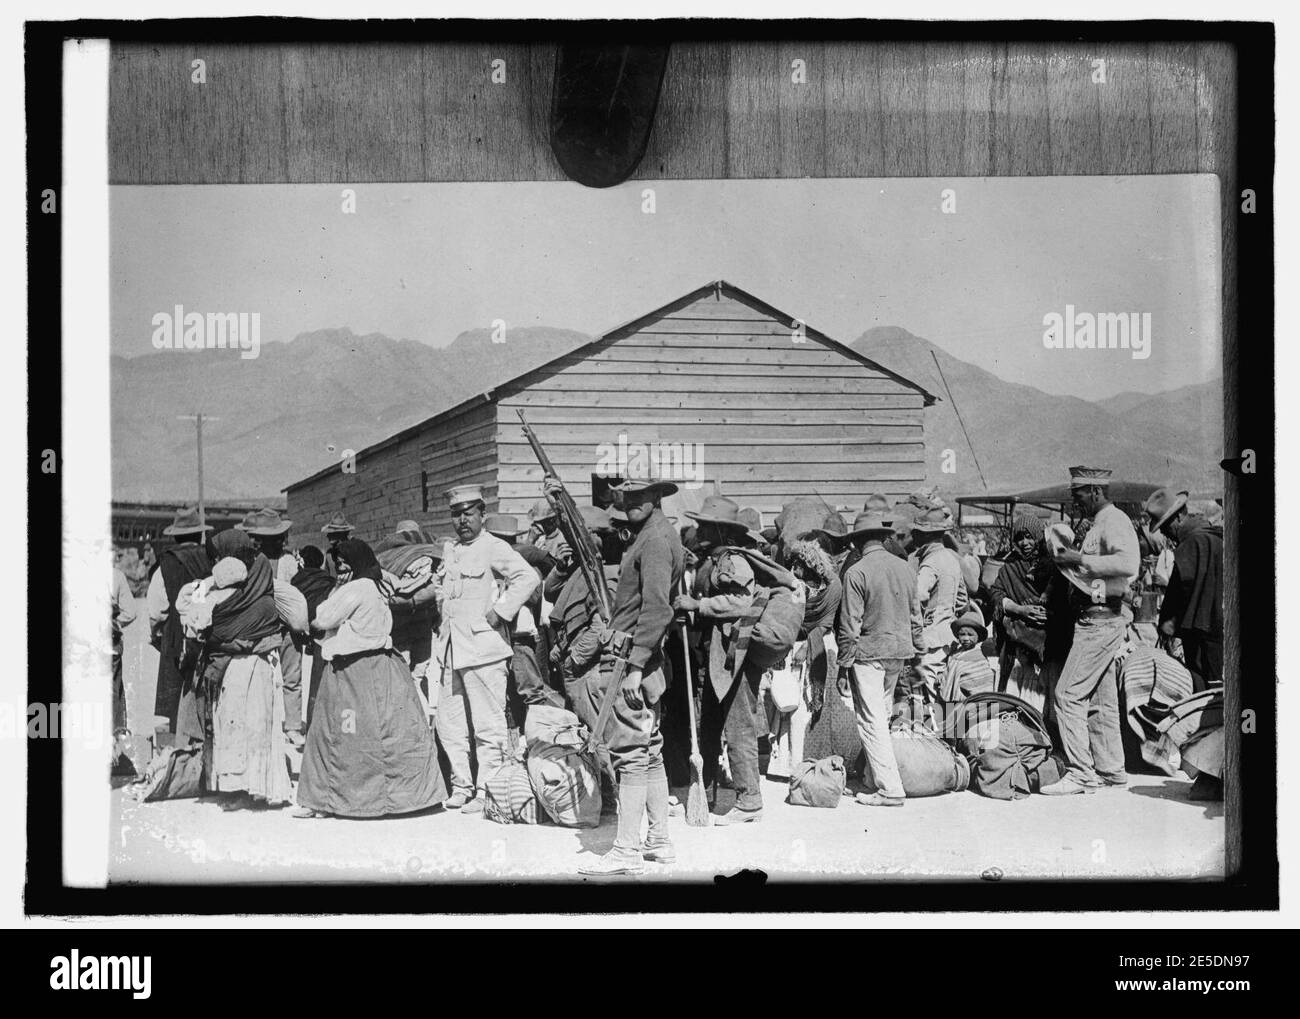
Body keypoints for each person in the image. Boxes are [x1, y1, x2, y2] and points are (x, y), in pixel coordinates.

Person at [567, 475, 683, 875]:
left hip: (630, 659)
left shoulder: (652, 541)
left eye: (639, 495)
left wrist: (633, 667)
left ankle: (627, 850)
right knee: (649, 749)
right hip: (643, 656)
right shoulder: (658, 534)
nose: (630, 502)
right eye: (626, 496)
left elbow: (657, 609)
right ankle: (659, 841)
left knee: (631, 754)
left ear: (656, 496)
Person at [294, 539, 446, 818]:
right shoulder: (379, 584)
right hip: (383, 666)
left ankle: (336, 800)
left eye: (344, 564)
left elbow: (323, 618)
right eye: (338, 565)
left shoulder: (354, 589)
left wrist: (336, 592)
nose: (340, 569)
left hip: (352, 669)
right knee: (388, 733)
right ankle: (407, 797)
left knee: (342, 733)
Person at [433, 485, 539, 814]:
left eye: (469, 513)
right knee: (450, 722)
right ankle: (461, 784)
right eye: (456, 514)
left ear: (483, 515)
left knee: (487, 723)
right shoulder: (451, 551)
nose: (462, 520)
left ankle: (486, 789)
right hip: (450, 647)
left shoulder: (493, 547)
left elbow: (528, 577)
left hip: (483, 648)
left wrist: (501, 611)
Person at [1040, 466, 1140, 795]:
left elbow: (1128, 565)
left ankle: (1081, 773)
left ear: (1095, 491)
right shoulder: (1100, 523)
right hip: (1099, 616)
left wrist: (1079, 559)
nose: (1074, 499)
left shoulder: (1113, 520)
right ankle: (1111, 769)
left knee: (1067, 694)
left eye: (1078, 493)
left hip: (1099, 620)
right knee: (1100, 698)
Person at [178, 528, 294, 810]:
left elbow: (190, 615)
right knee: (251, 727)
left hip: (241, 668)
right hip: (255, 665)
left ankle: (240, 789)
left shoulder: (226, 586)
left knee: (240, 727)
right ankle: (251, 787)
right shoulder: (262, 582)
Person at [675, 495, 765, 825]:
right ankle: (706, 787)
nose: (696, 530)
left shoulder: (732, 560)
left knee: (738, 724)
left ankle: (749, 801)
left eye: (702, 526)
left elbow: (743, 602)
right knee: (711, 723)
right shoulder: (711, 560)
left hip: (735, 656)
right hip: (716, 656)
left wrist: (697, 607)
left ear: (717, 530)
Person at [835, 508, 924, 807]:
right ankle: (874, 779)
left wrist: (843, 665)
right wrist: (919, 652)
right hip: (898, 653)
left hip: (868, 654)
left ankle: (890, 788)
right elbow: (916, 617)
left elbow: (850, 626)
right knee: (882, 716)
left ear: (857, 542)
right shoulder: (905, 568)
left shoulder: (856, 572)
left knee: (871, 720)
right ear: (883, 538)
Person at [1144, 488, 1223, 692]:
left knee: (1204, 689)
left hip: (1200, 633)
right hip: (1219, 627)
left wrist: (1168, 623)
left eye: (1165, 525)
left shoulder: (1191, 544)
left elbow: (1181, 590)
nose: (1163, 532)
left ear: (1179, 516)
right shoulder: (1214, 536)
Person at [484, 513, 564, 715]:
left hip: (520, 634)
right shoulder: (489, 561)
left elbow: (535, 595)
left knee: (530, 687)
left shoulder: (523, 561)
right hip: (497, 634)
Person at [240, 508, 306, 747]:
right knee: (264, 676)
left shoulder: (288, 561)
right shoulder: (252, 562)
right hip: (263, 625)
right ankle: (266, 723)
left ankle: (292, 725)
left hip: (286, 625)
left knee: (291, 676)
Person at [145, 507, 213, 740]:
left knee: (170, 705)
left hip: (175, 640)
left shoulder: (165, 565)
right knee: (203, 700)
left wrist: (157, 636)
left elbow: (156, 611)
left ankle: (170, 759)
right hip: (208, 638)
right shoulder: (212, 559)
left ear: (175, 536)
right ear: (199, 535)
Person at [989, 513, 1056, 715]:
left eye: (1029, 537)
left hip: (1049, 644)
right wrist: (1020, 610)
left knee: (1046, 696)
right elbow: (996, 594)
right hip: (1019, 646)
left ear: (1038, 536)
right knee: (1018, 695)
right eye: (1019, 538)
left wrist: (1049, 614)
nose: (1024, 543)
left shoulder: (1052, 564)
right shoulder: (1009, 568)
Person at [906, 505, 968, 724]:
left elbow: (916, 596)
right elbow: (962, 601)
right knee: (946, 692)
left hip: (929, 640)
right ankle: (950, 740)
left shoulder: (930, 562)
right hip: (948, 637)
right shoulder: (952, 559)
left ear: (924, 535)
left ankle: (935, 743)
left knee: (928, 696)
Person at [290, 544, 338, 729]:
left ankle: (309, 726)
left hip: (301, 632)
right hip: (324, 633)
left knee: (309, 682)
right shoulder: (328, 580)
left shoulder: (296, 580)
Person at [939, 608, 996, 703]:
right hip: (950, 703)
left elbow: (981, 683)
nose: (965, 638)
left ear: (978, 637)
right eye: (962, 634)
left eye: (970, 635)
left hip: (967, 703)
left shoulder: (979, 658)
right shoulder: (955, 653)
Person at [111, 565, 138, 753]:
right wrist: (113, 623)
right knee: (113, 693)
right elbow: (131, 611)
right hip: (109, 646)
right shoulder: (116, 575)